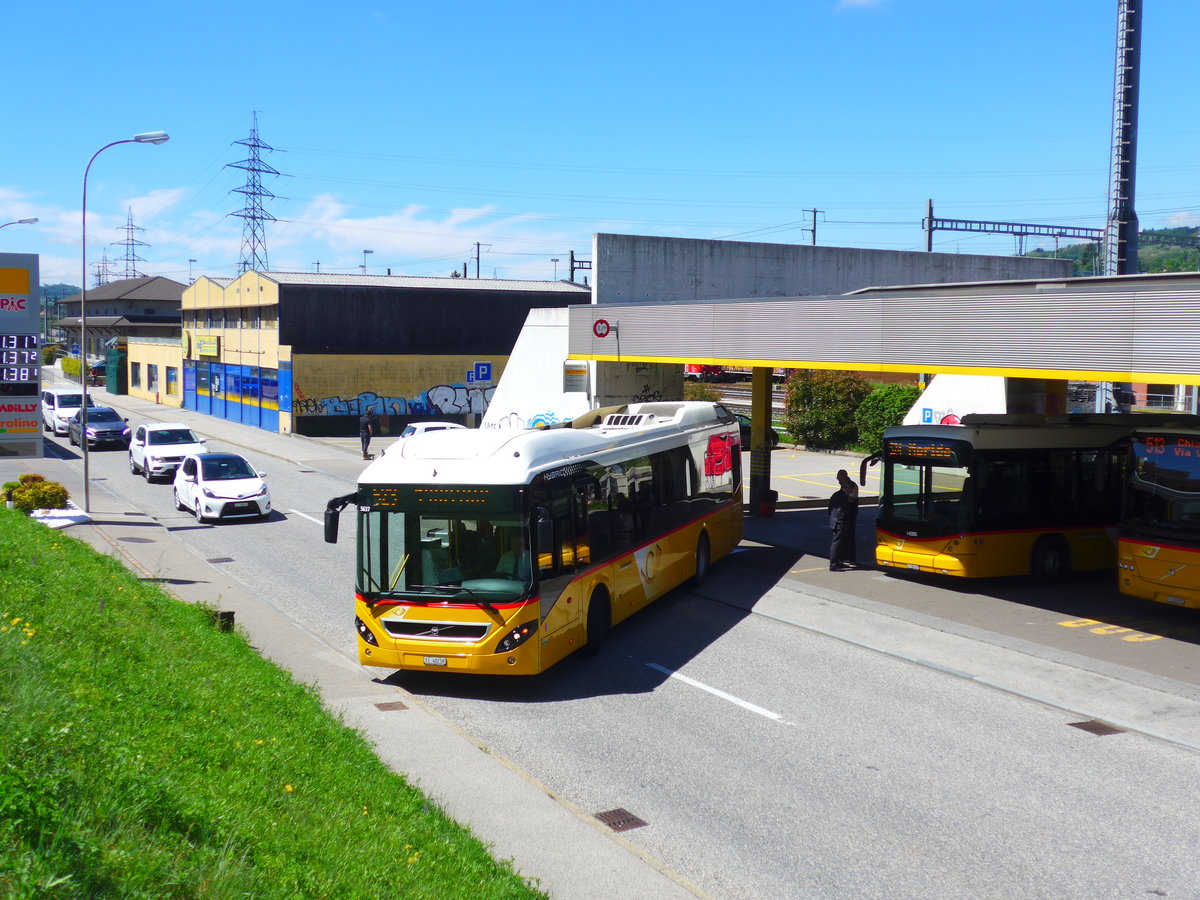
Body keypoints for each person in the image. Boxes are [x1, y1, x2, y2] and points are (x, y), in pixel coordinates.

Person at [828, 469, 860, 571]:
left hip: (836, 521)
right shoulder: (844, 497)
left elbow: (830, 509)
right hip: (841, 521)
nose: (837, 478)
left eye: (838, 476)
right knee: (838, 542)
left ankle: (840, 561)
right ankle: (835, 563)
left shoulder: (836, 494)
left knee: (841, 541)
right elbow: (845, 509)